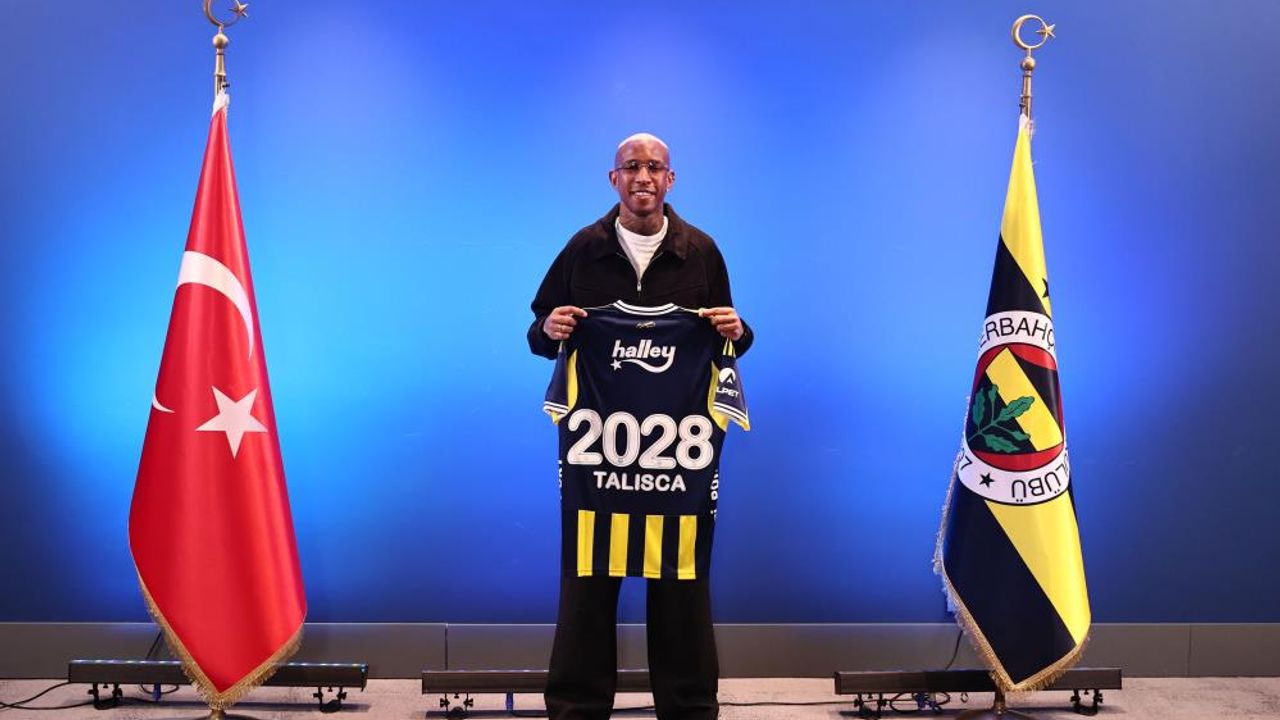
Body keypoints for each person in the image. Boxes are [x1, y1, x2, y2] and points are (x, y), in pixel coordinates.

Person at [528, 133, 753, 720]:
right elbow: (539, 329)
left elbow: (731, 340)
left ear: (670, 179)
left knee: (681, 586)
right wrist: (549, 328)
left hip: (675, 458)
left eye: (654, 166)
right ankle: (576, 708)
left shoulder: (701, 251)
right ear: (615, 178)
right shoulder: (583, 248)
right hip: (597, 456)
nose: (643, 176)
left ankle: (689, 707)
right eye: (632, 167)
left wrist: (738, 330)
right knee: (587, 585)